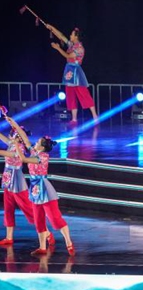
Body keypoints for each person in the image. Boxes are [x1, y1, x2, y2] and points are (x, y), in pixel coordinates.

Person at [5, 117, 74, 256]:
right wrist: (12, 122)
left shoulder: (41, 157)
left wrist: (16, 145)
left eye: (37, 142)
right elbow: (23, 136)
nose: (34, 142)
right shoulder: (34, 151)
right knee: (38, 219)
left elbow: (23, 159)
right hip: (35, 190)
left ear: (42, 147)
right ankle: (42, 247)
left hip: (44, 189)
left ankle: (69, 242)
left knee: (55, 219)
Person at [0, 120, 53, 247]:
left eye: (14, 134)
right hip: (8, 178)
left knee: (28, 209)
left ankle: (46, 232)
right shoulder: (12, 144)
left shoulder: (21, 149)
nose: (11, 136)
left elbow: (3, 153)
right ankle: (9, 236)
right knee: (8, 208)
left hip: (17, 181)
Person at [45, 25, 98, 123]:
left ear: (76, 37)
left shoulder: (79, 48)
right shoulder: (71, 45)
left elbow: (68, 55)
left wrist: (57, 48)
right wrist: (51, 27)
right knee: (70, 94)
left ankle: (95, 116)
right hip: (69, 71)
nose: (70, 35)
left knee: (83, 93)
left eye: (72, 34)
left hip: (76, 72)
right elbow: (60, 35)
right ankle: (74, 119)